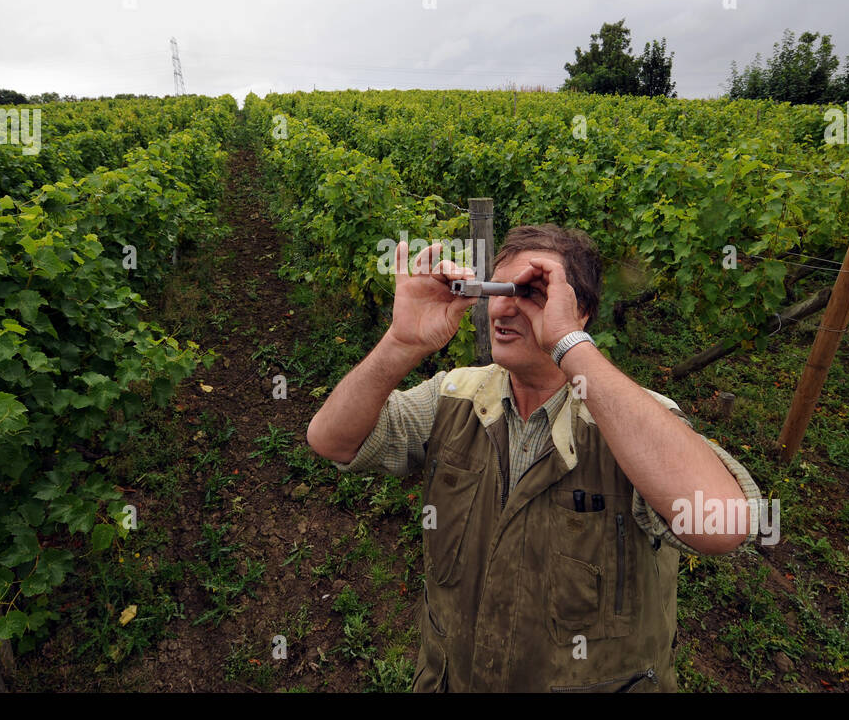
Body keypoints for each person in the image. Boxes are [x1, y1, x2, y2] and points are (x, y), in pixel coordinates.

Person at [306, 224, 762, 692]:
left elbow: (720, 524)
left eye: (530, 293)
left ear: (579, 312)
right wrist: (401, 343)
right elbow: (330, 440)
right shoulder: (455, 396)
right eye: (498, 289)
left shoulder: (632, 424)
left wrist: (568, 345)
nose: (503, 306)